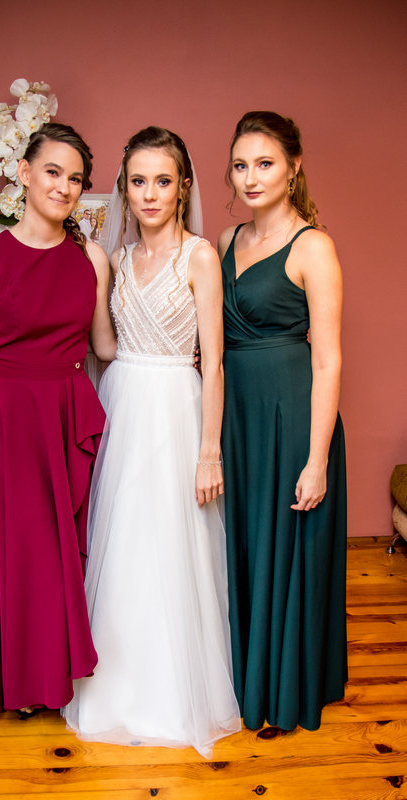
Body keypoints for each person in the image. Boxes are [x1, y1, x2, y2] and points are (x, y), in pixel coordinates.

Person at [63, 126, 241, 757]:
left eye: (163, 181)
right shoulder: (113, 259)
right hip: (125, 405)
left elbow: (214, 362)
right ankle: (118, 685)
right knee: (125, 545)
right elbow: (105, 347)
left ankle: (175, 691)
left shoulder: (200, 257)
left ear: (183, 187)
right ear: (123, 188)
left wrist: (209, 452)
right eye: (137, 181)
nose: (149, 194)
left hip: (176, 409)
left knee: (174, 543)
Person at [0, 122, 116, 717]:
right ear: (24, 173)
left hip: (69, 413)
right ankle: (26, 685)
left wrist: (176, 351)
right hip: (12, 422)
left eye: (75, 179)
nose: (63, 187)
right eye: (53, 172)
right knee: (25, 554)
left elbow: (103, 346)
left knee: (64, 552)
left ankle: (54, 675)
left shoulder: (92, 258)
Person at [218, 111, 347, 731]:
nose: (251, 177)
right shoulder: (225, 240)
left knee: (287, 551)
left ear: (293, 168)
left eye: (264, 163)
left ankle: (285, 689)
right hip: (236, 420)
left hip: (291, 418)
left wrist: (317, 459)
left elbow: (329, 360)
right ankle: (243, 678)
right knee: (242, 545)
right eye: (240, 165)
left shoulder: (313, 246)